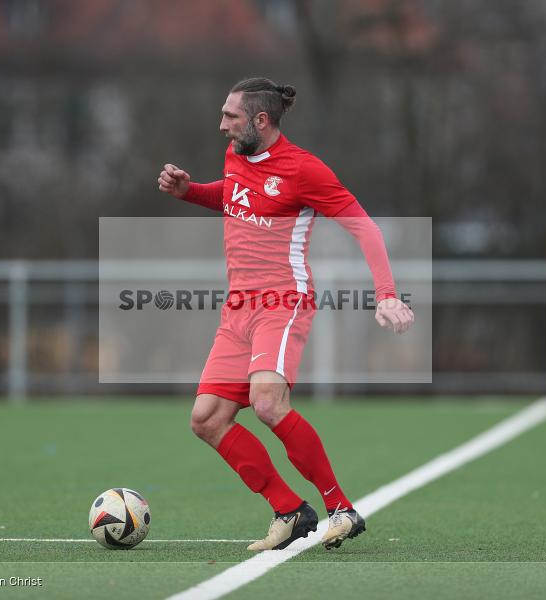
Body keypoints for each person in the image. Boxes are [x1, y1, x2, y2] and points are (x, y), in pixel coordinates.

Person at [157, 77, 414, 550]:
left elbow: (365, 228)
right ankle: (290, 510)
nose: (221, 126)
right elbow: (236, 196)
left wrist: (386, 293)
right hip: (238, 307)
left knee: (268, 404)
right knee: (207, 418)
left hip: (282, 301)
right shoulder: (237, 153)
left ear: (261, 120)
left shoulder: (304, 169)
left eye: (230, 117)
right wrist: (191, 191)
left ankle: (342, 510)